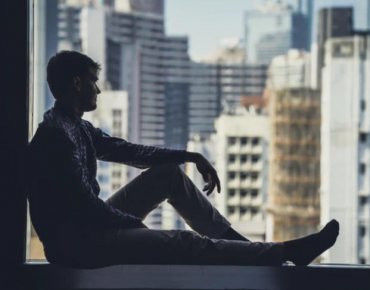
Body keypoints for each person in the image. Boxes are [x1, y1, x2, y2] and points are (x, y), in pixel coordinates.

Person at [27, 51, 339, 269]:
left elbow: (131, 152)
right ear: (77, 84)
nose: (98, 89)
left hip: (90, 228)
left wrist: (190, 156)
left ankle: (249, 250)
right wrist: (133, 226)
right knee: (183, 242)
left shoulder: (75, 126)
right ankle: (283, 253)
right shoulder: (56, 136)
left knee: (168, 175)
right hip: (78, 245)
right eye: (93, 81)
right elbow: (86, 207)